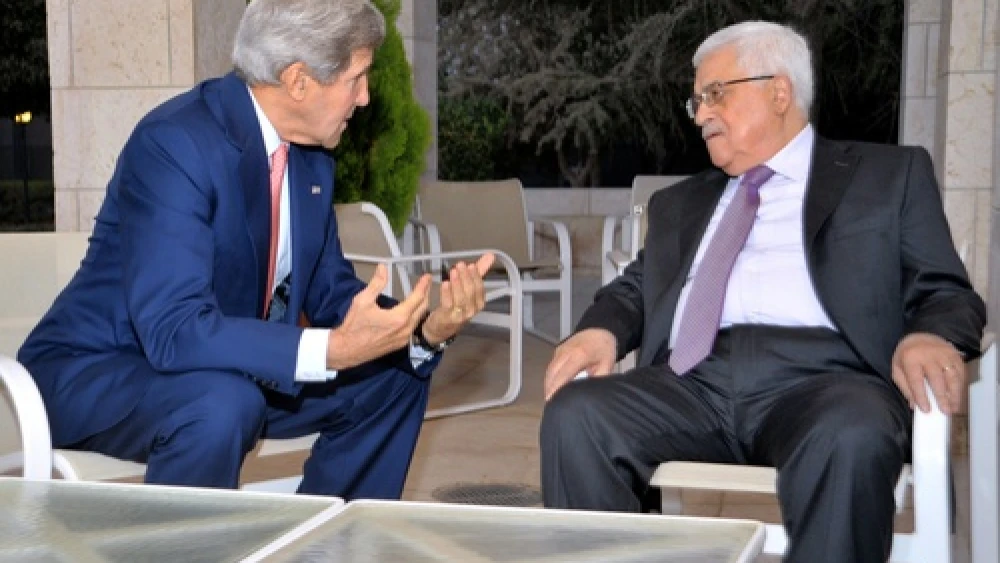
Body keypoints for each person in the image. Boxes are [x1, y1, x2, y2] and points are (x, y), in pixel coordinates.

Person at [539, 20, 986, 563]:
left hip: (828, 381)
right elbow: (638, 284)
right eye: (696, 101)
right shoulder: (679, 202)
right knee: (577, 414)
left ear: (780, 92)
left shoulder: (886, 176)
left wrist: (929, 334)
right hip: (692, 383)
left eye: (715, 94)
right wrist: (600, 329)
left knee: (851, 434)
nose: (701, 113)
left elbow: (945, 289)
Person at [17, 0, 493, 501]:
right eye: (356, 78)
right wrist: (329, 349)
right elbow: (174, 330)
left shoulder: (310, 159)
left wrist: (421, 330)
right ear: (298, 80)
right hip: (98, 370)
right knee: (223, 404)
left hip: (226, 369)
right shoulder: (175, 144)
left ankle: (329, 549)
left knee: (393, 378)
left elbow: (334, 292)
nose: (365, 97)